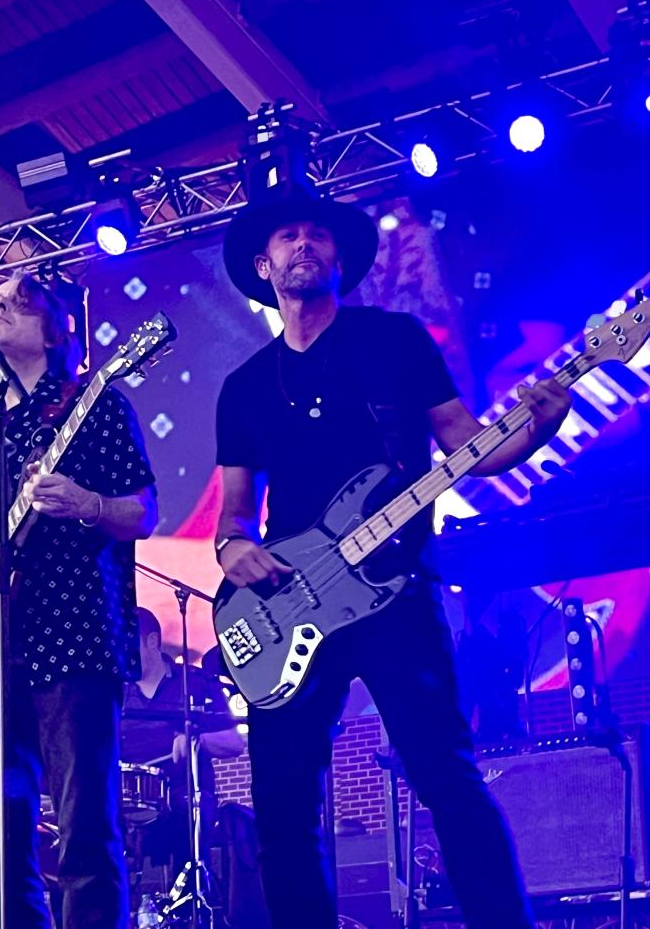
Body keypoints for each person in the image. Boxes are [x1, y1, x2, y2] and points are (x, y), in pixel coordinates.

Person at [213, 184, 573, 928]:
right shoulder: (243, 389)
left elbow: (468, 446)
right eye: (288, 237)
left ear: (341, 258)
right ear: (264, 263)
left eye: (317, 234)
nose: (304, 243)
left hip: (395, 593)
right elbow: (236, 512)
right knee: (284, 810)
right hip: (288, 601)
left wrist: (536, 430)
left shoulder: (394, 341)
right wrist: (231, 550)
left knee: (446, 775)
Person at [0, 270, 158, 929]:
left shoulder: (93, 405)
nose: (2, 303)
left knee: (84, 835)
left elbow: (143, 512)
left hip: (72, 636)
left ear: (53, 329)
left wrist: (89, 504)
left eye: (22, 301)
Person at [120, 608, 243, 873]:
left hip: (185, 797)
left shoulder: (196, 682)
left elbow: (234, 742)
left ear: (152, 641)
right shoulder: (115, 693)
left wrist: (197, 741)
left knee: (190, 816)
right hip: (126, 801)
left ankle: (191, 899)